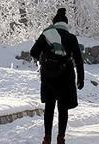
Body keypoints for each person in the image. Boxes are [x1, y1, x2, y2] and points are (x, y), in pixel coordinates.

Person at [30, 8, 84, 144]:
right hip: (66, 78)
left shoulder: (47, 35)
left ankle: (47, 138)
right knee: (63, 109)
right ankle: (61, 138)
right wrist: (81, 78)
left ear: (54, 23)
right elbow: (78, 59)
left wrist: (43, 58)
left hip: (48, 77)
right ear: (66, 24)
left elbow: (33, 52)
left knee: (49, 108)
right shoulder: (71, 38)